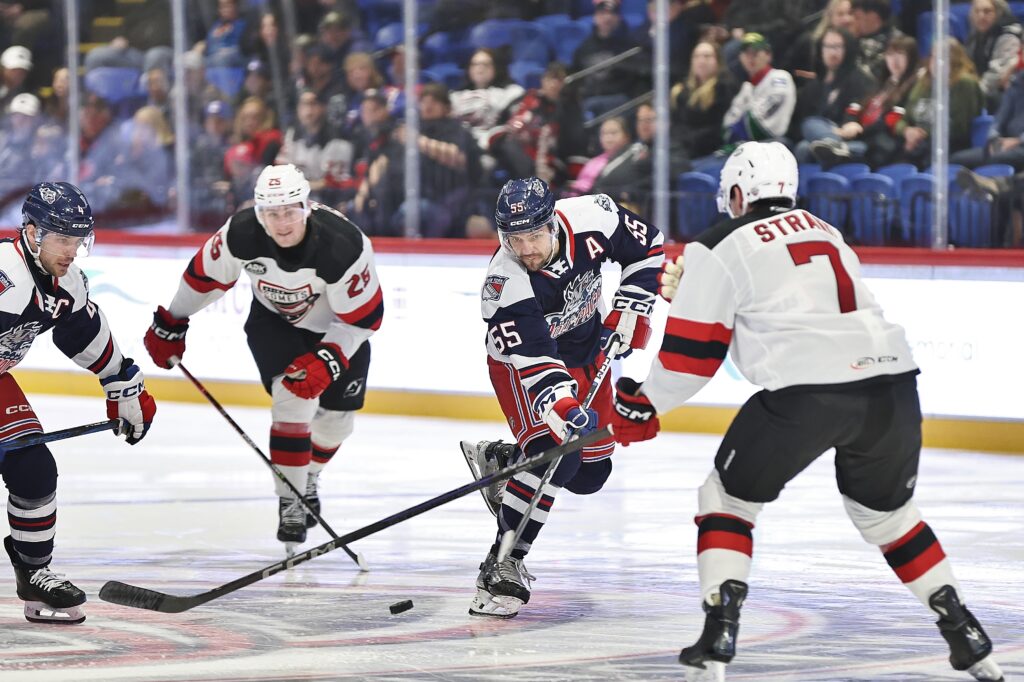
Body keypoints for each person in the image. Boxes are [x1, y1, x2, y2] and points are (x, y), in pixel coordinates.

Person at [609, 142, 1005, 682]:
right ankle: (967, 633)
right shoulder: (827, 231)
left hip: (809, 395)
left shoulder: (718, 243)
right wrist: (695, 288)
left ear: (739, 193)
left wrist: (641, 404)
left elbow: (693, 357)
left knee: (727, 498)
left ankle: (718, 635)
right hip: (893, 388)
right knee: (889, 518)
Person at [143, 164, 382, 555]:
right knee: (292, 400)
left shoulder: (344, 245)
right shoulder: (240, 232)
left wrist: (330, 358)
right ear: (259, 212)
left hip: (338, 329)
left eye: (290, 210)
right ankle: (290, 499)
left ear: (307, 206)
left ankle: (308, 479)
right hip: (274, 326)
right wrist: (172, 321)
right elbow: (204, 278)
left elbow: (364, 319)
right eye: (272, 213)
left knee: (337, 425)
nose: (282, 222)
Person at [460, 177, 664, 618]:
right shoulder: (504, 283)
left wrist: (631, 308)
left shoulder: (596, 217)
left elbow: (649, 248)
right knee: (557, 456)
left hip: (587, 350)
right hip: (522, 368)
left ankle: (507, 461)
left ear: (552, 224)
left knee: (591, 476)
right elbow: (535, 362)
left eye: (534, 235)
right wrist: (564, 407)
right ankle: (503, 564)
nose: (526, 248)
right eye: (515, 239)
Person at [1, 182, 157, 624]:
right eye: (61, 238)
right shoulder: (3, 276)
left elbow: (82, 333)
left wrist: (122, 383)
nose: (70, 251)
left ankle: (34, 576)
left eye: (77, 240)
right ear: (32, 233)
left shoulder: (65, 281)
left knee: (33, 469)